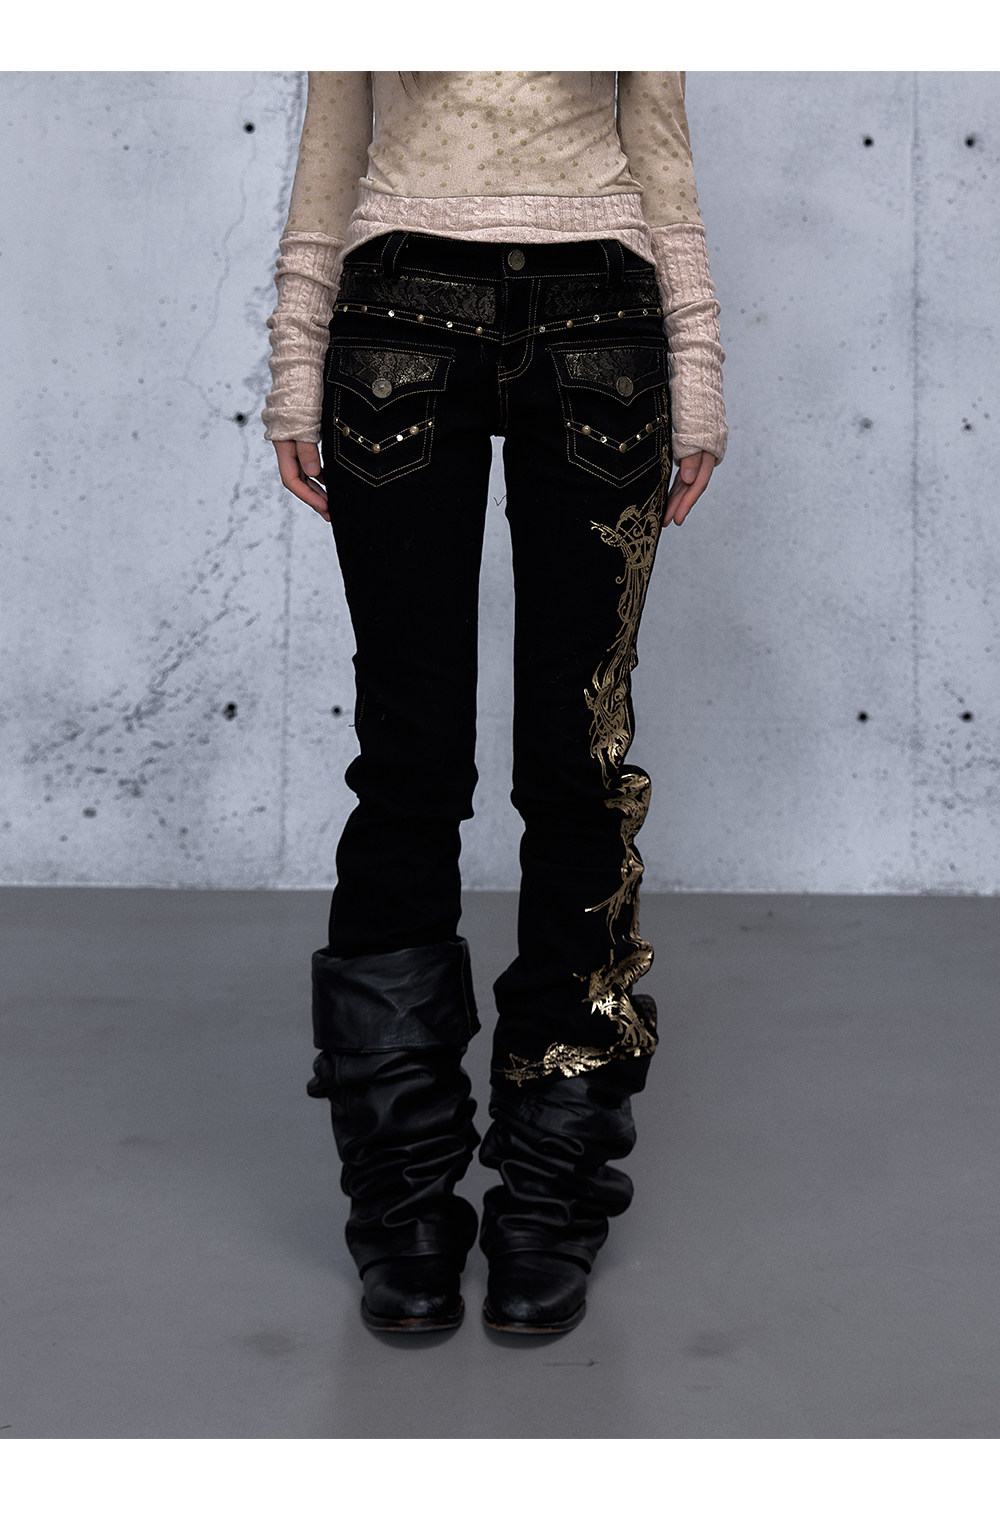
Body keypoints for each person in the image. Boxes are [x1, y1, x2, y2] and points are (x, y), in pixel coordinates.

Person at [262, 71, 727, 1336]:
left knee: (579, 760)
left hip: (600, 323)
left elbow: (660, 141)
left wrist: (697, 364)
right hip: (397, 317)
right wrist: (296, 359)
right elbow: (331, 141)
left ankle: (548, 1191)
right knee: (409, 764)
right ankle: (404, 1197)